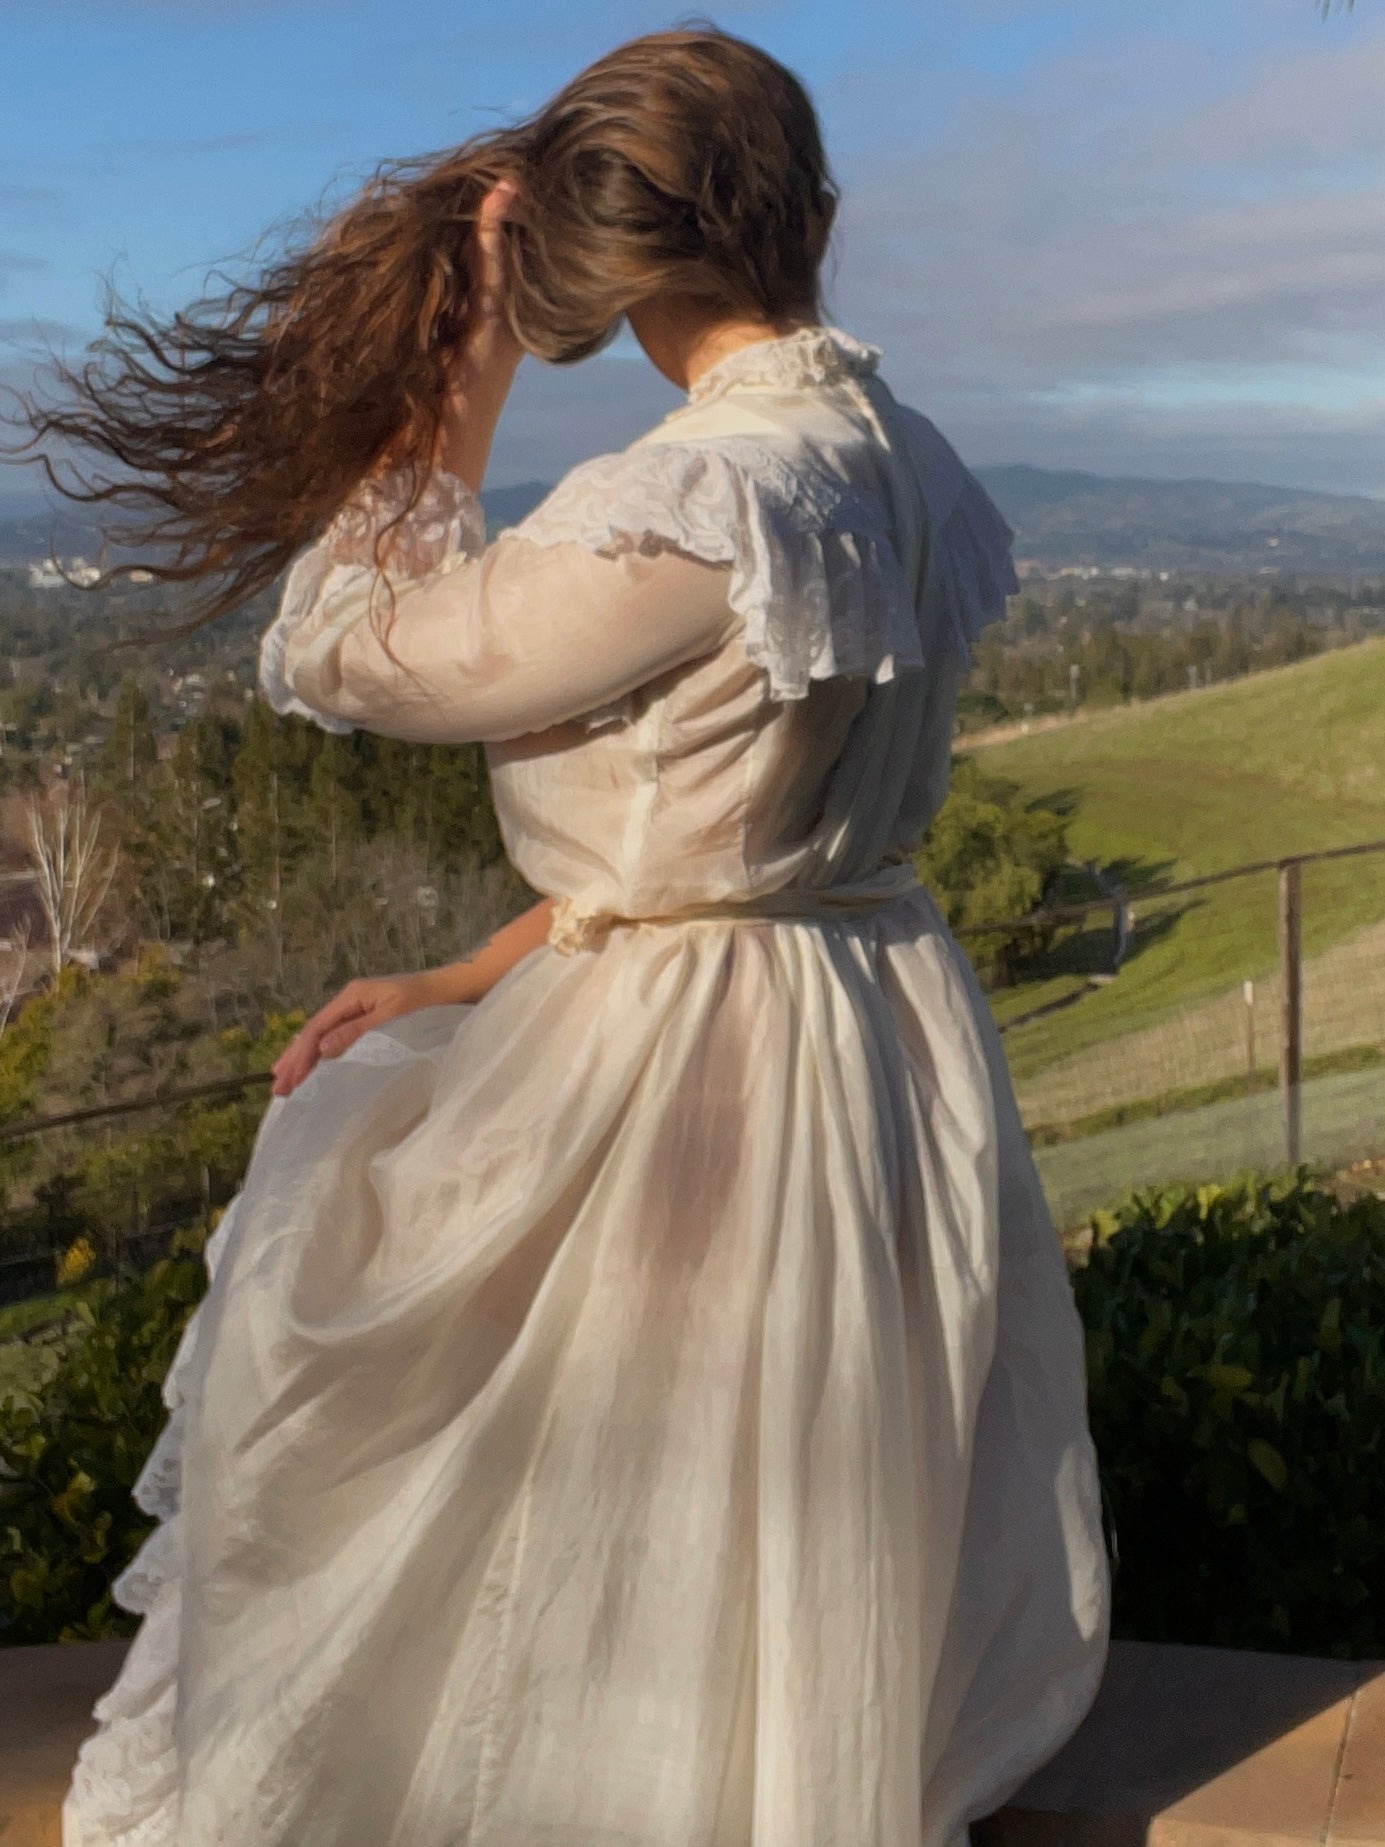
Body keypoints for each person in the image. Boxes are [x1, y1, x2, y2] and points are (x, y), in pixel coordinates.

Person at [36, 25, 1109, 1847]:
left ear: (608, 273)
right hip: (861, 1031)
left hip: (681, 1076)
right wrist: (468, 974)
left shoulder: (694, 499)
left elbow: (348, 651)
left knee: (590, 1501)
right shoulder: (910, 466)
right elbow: (730, 833)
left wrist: (453, 395)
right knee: (772, 1520)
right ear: (812, 215)